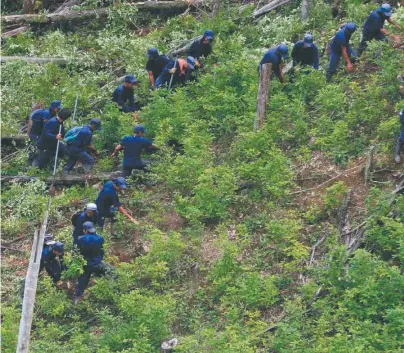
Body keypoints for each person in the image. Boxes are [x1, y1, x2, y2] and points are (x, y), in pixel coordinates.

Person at [74, 222, 106, 304]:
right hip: (97, 263)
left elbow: (77, 251)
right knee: (106, 272)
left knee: (82, 280)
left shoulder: (81, 239)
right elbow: (101, 250)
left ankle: (78, 297)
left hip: (86, 264)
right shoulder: (100, 238)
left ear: (85, 230)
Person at [27, 100, 62, 165]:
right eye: (58, 108)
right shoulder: (47, 114)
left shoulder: (53, 114)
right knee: (34, 149)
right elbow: (45, 128)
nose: (58, 110)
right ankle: (31, 165)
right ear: (54, 107)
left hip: (40, 134)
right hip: (35, 134)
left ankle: (39, 165)